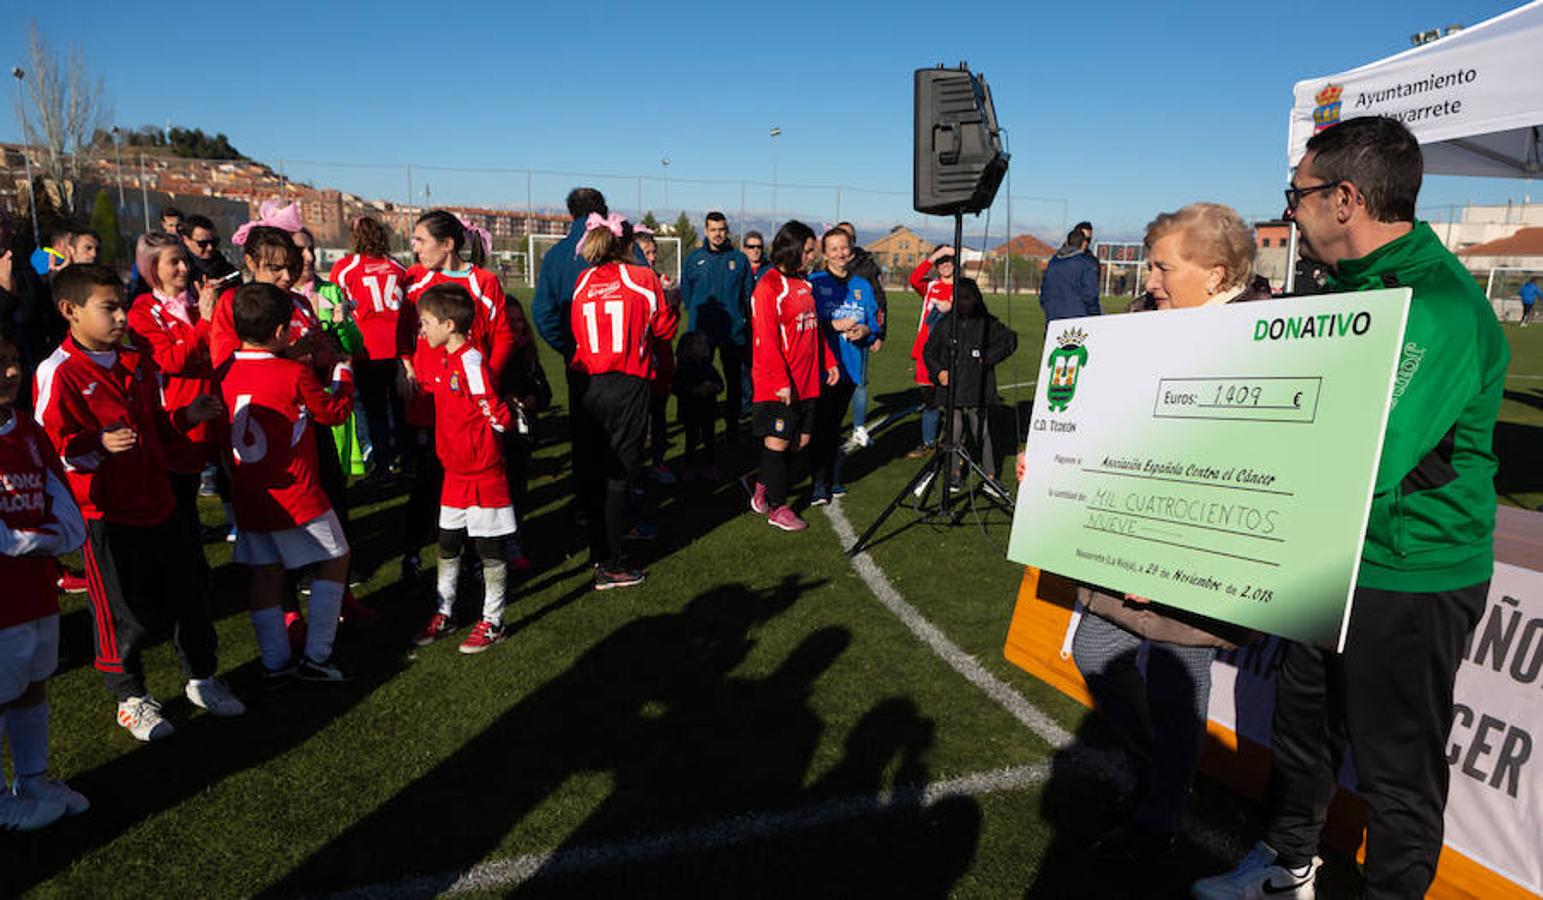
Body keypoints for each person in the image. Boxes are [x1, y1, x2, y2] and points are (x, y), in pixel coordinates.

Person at [1193, 116, 1509, 900]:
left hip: (1410, 571)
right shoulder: (1347, 288)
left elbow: (1361, 456)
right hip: (1331, 556)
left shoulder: (1433, 305)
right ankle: (1285, 867)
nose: (1288, 212)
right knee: (1302, 734)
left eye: (1294, 195)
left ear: (1344, 199)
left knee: (1396, 769)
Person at [1020, 204, 1265, 862]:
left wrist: (1161, 553)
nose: (1147, 277)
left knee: (1176, 677)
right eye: (1148, 262)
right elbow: (1096, 414)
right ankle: (1159, 772)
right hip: (1118, 532)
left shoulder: (1262, 336)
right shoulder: (1135, 323)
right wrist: (1046, 454)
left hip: (1189, 544)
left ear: (1215, 273)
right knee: (1098, 652)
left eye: (1162, 265)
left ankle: (1159, 808)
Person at [33, 264, 243, 740]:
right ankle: (130, 696)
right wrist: (96, 447)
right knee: (120, 610)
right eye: (109, 308)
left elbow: (153, 428)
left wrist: (185, 416)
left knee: (188, 595)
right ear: (70, 311)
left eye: (123, 305)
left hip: (161, 499)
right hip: (105, 514)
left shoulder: (138, 362)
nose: (123, 317)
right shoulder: (57, 372)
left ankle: (201, 678)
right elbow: (54, 449)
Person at [220, 282, 353, 683]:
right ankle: (317, 654)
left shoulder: (223, 371)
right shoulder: (293, 373)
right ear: (280, 332)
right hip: (296, 493)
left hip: (249, 492)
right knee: (337, 556)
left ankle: (274, 660)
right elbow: (332, 412)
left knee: (266, 571)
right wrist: (344, 373)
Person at [0, 322, 88, 831]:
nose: (10, 372)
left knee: (34, 683)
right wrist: (38, 539)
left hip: (35, 590)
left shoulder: (26, 429)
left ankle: (31, 779)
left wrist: (40, 540)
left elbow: (64, 507)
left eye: (13, 358)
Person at [567, 212, 678, 589]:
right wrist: (673, 301)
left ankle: (599, 551)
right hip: (627, 384)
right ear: (628, 245)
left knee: (597, 471)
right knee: (619, 476)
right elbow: (663, 329)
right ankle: (611, 564)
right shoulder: (643, 278)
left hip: (589, 384)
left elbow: (577, 329)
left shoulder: (583, 280)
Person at [410, 284, 519, 652]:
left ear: (450, 325)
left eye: (426, 322)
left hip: (483, 473)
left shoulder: (471, 362)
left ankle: (493, 621)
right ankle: (445, 612)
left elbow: (493, 410)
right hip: (454, 474)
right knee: (448, 544)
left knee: (489, 550)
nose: (421, 330)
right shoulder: (443, 358)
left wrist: (512, 423)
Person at [125, 232, 220, 534]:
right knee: (176, 504)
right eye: (174, 262)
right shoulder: (142, 311)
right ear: (152, 268)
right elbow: (170, 360)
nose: (184, 268)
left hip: (212, 410)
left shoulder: (195, 301)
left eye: (184, 260)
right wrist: (205, 322)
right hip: (177, 419)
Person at [747, 221, 836, 532]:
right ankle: (777, 506)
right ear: (794, 249)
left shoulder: (804, 282)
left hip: (809, 380)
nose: (812, 256)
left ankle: (762, 485)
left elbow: (815, 328)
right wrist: (780, 381)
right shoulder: (768, 286)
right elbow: (766, 340)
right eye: (809, 250)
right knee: (779, 442)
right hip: (780, 384)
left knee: (801, 441)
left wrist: (830, 361)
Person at [330, 216, 412, 480]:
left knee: (374, 408)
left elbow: (335, 302)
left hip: (367, 348)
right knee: (400, 408)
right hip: (398, 347)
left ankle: (383, 464)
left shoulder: (346, 267)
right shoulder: (397, 266)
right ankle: (407, 460)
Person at [923, 277, 1017, 494]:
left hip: (977, 386)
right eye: (960, 298)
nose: (963, 303)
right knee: (953, 432)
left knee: (982, 432)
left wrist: (989, 357)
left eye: (968, 298)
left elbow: (1010, 339)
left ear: (975, 298)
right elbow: (929, 351)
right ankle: (954, 475)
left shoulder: (987, 323)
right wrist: (938, 371)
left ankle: (990, 477)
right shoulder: (945, 323)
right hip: (951, 387)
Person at [808, 228, 879, 503]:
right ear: (825, 253)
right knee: (819, 427)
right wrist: (830, 324)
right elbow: (804, 324)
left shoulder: (862, 286)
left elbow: (873, 324)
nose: (840, 253)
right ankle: (818, 483)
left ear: (852, 249)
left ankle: (829, 479)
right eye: (834, 249)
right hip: (821, 369)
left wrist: (865, 332)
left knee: (833, 426)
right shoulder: (814, 282)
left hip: (849, 369)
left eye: (844, 248)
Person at [679, 211, 754, 441]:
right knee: (700, 379)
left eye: (721, 229)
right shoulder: (694, 259)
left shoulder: (739, 259)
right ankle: (701, 424)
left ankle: (733, 425)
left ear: (727, 230)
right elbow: (687, 294)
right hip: (702, 334)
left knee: (734, 381)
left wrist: (741, 320)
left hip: (733, 333)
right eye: (713, 230)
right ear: (706, 231)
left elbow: (748, 294)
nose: (718, 234)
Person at [635, 230, 678, 484]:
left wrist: (672, 303)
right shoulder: (634, 283)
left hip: (661, 361)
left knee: (659, 417)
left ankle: (658, 463)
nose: (652, 258)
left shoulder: (661, 280)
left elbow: (668, 329)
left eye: (654, 253)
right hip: (638, 364)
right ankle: (637, 469)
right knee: (639, 422)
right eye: (646, 253)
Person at [906, 245, 955, 458]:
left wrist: (953, 305)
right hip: (926, 351)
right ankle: (928, 442)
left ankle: (954, 443)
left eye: (948, 260)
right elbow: (914, 278)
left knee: (954, 400)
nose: (944, 265)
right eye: (940, 261)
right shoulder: (931, 286)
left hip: (950, 351)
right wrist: (933, 255)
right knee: (930, 399)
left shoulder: (963, 288)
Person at [672, 331, 723, 482]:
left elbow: (721, 385)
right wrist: (695, 390)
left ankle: (710, 466)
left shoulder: (709, 366)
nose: (705, 347)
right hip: (691, 411)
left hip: (708, 411)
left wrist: (713, 386)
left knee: (709, 439)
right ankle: (689, 467)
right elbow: (677, 388)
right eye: (700, 344)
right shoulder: (683, 368)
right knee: (691, 440)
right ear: (688, 349)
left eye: (705, 343)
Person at [1039, 227, 1101, 322]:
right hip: (1078, 319)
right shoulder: (1086, 264)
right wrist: (1096, 315)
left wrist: (1049, 310)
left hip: (1053, 318)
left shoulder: (1053, 263)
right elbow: (1090, 295)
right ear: (1083, 243)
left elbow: (1044, 293)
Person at [179, 214, 240, 288]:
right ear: (186, 240)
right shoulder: (180, 268)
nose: (210, 247)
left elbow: (236, 276)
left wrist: (225, 283)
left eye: (214, 242)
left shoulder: (223, 265)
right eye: (202, 243)